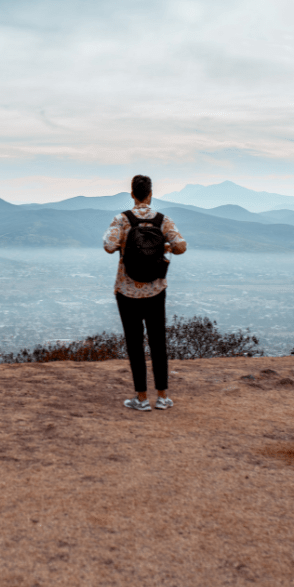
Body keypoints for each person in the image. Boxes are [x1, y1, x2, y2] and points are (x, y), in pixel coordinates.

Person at [103, 175, 186, 411]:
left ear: (132, 194)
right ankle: (162, 396)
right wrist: (163, 246)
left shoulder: (121, 220)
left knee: (134, 343)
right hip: (156, 289)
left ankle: (141, 398)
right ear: (150, 194)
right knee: (158, 341)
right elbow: (181, 246)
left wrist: (124, 244)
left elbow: (109, 246)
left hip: (126, 290)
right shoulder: (163, 220)